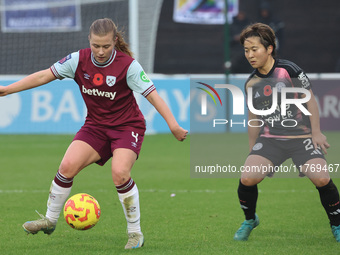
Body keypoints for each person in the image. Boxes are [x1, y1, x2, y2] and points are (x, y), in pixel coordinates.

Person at [0, 18, 188, 249]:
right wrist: (8, 89)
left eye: (106, 46)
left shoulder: (128, 65)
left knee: (120, 173)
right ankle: (49, 220)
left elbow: (153, 96)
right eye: (96, 46)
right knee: (66, 166)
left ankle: (135, 233)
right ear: (89, 40)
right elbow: (43, 76)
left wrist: (173, 125)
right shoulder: (77, 60)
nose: (100, 51)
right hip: (96, 126)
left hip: (127, 127)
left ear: (114, 41)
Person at [233, 22, 340, 242]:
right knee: (247, 178)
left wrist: (316, 132)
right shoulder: (251, 83)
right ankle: (250, 219)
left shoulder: (289, 70)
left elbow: (309, 99)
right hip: (271, 140)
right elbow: (253, 117)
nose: (250, 55)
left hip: (301, 139)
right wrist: (253, 149)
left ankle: (337, 225)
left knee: (321, 178)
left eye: (255, 49)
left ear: (269, 48)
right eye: (246, 50)